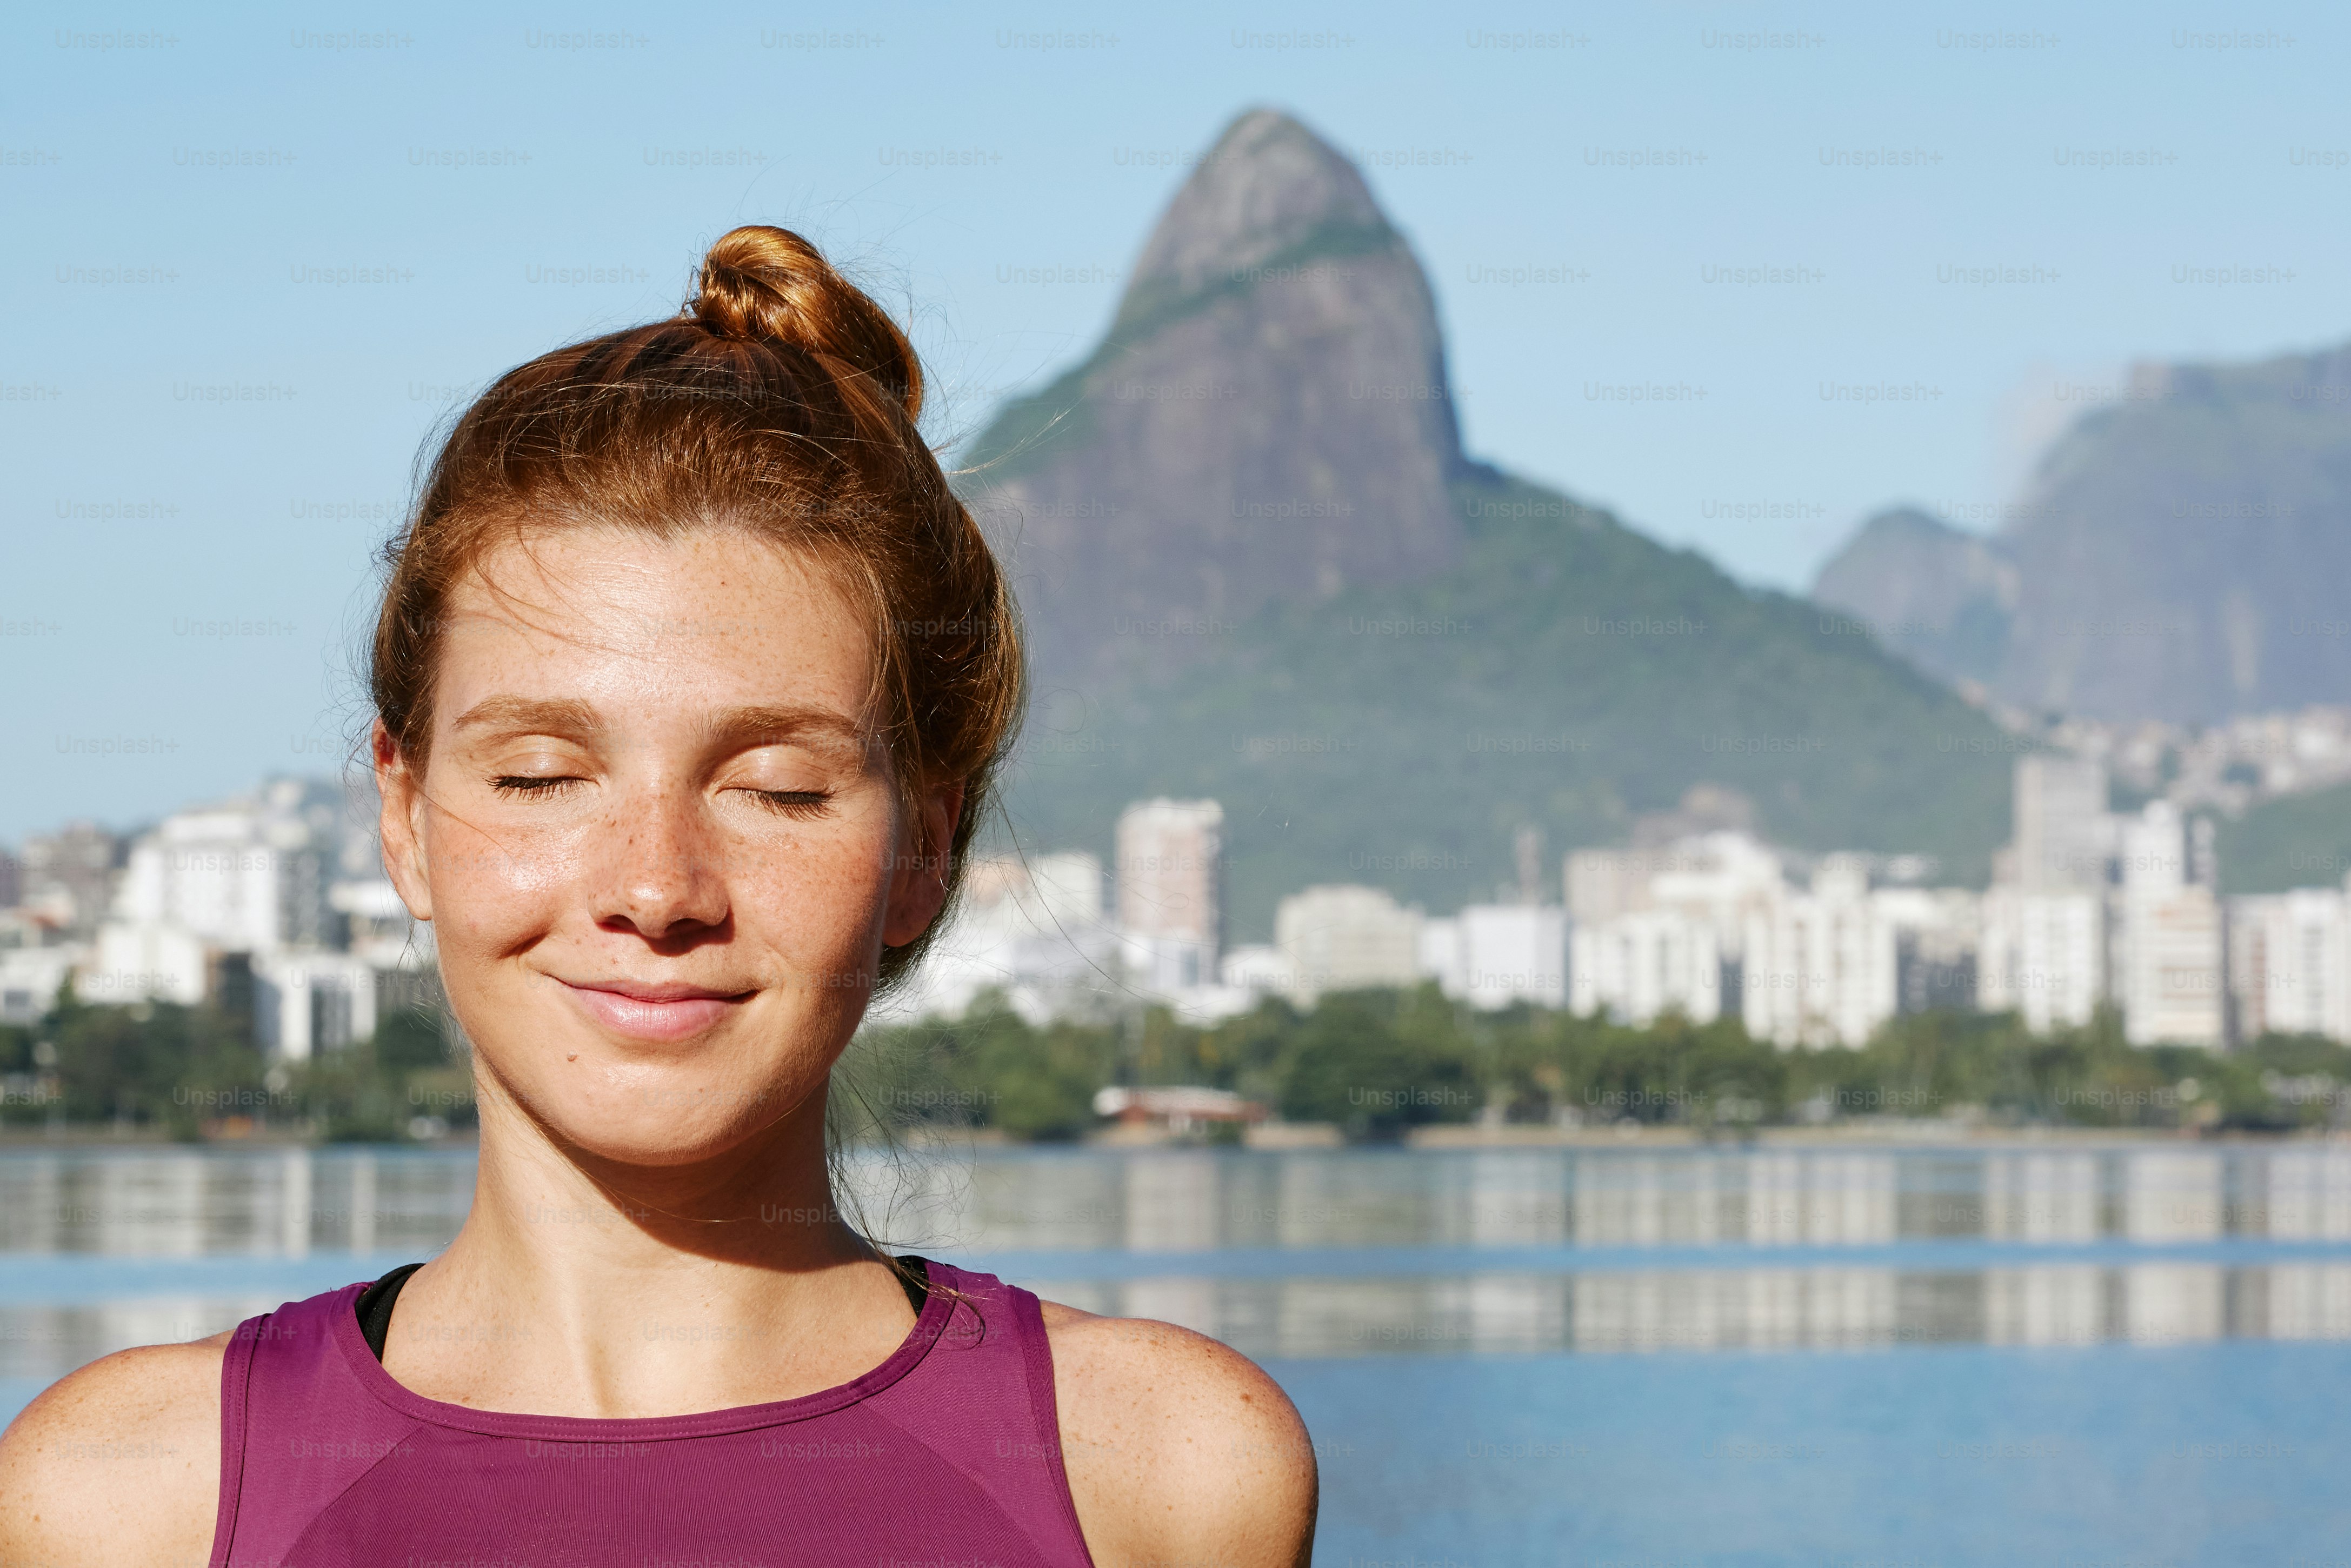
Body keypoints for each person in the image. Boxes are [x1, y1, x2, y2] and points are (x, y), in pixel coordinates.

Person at [0, 225, 1317, 1566]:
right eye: (539, 775)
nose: (655, 887)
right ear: (403, 815)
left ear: (925, 845)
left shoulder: (1157, 1470)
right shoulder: (128, 1498)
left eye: (777, 788)